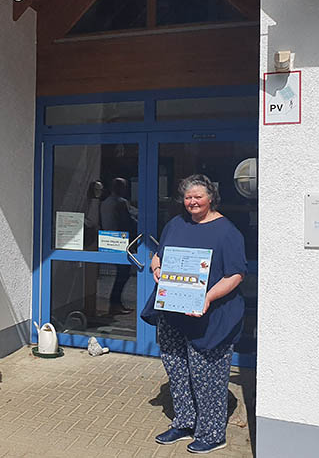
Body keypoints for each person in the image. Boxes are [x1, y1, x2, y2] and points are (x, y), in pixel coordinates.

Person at [149, 174, 246, 454]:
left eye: (198, 197)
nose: (192, 202)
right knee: (177, 370)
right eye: (188, 197)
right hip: (173, 312)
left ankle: (213, 433)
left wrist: (207, 297)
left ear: (211, 198)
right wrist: (157, 269)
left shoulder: (227, 231)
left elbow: (236, 274)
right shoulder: (175, 224)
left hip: (211, 314)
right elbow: (159, 255)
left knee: (208, 376)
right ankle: (185, 422)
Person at [100, 177, 137, 314]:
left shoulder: (104, 203)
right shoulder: (120, 203)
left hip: (107, 241)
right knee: (123, 274)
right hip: (121, 242)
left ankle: (115, 304)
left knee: (121, 274)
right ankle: (115, 304)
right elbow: (127, 222)